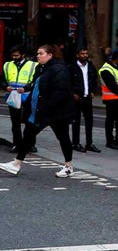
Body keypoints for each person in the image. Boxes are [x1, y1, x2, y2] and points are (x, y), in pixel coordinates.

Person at [0, 45, 76, 177]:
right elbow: (36, 86)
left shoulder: (59, 69)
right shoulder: (42, 68)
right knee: (28, 135)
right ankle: (16, 163)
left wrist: (46, 107)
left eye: (41, 53)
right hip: (39, 111)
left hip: (53, 113)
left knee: (63, 138)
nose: (38, 56)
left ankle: (68, 166)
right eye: (37, 53)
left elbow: (60, 91)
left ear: (50, 55)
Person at [2, 45, 38, 152]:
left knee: (29, 122)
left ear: (23, 55)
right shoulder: (7, 65)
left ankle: (30, 144)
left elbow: (36, 81)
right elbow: (2, 79)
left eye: (16, 55)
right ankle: (17, 144)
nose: (14, 57)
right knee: (15, 122)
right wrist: (5, 87)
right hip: (13, 96)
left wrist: (26, 88)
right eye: (13, 55)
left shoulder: (33, 65)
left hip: (28, 97)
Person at [70, 48, 100, 154]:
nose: (85, 55)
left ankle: (89, 143)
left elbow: (94, 79)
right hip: (77, 98)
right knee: (76, 121)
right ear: (77, 55)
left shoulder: (90, 66)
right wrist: (72, 93)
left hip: (88, 97)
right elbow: (68, 82)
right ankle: (75, 143)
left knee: (89, 121)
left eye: (86, 53)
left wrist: (92, 91)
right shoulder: (72, 67)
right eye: (82, 54)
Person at [100, 50, 118, 150]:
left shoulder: (117, 67)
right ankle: (109, 141)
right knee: (110, 121)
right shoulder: (106, 69)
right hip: (111, 99)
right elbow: (111, 85)